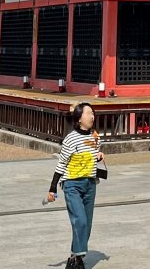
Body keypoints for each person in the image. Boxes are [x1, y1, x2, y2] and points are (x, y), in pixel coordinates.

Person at [45, 102, 103, 269]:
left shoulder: (95, 137)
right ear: (79, 118)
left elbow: (92, 154)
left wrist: (98, 155)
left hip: (90, 184)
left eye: (93, 113)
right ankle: (77, 257)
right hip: (72, 184)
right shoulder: (70, 138)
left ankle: (75, 257)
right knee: (80, 221)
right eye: (88, 113)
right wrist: (52, 187)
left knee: (87, 224)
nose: (92, 116)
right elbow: (61, 163)